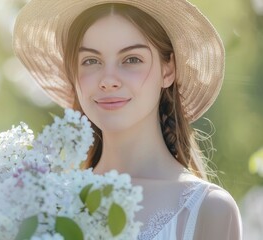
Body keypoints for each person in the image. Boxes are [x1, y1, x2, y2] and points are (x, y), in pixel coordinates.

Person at [13, 0, 242, 239]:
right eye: (91, 61)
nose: (108, 80)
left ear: (168, 70)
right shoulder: (46, 201)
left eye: (132, 59)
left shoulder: (208, 209)